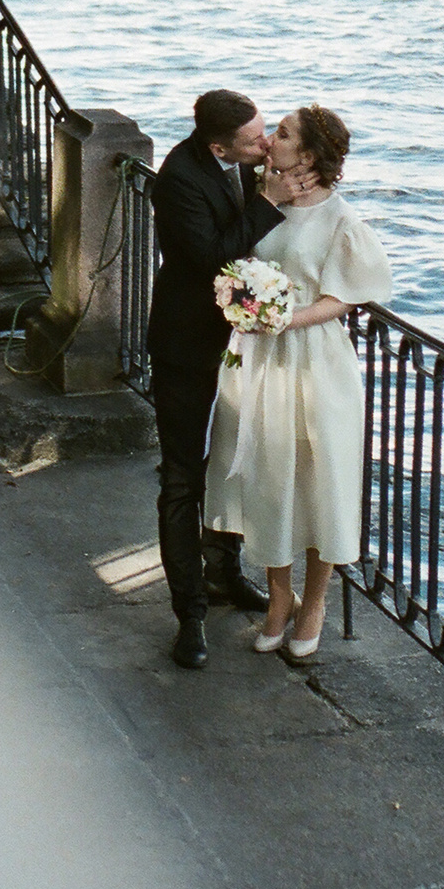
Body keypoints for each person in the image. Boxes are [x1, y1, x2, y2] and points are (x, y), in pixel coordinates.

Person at [204, 106, 392, 663]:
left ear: (307, 156)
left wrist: (286, 318)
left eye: (281, 134)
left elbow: (350, 295)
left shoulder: (339, 220)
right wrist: (246, 305)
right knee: (266, 476)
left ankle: (315, 604)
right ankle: (278, 599)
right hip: (258, 355)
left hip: (315, 360)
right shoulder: (262, 193)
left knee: (318, 480)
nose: (269, 140)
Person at [148, 89, 311, 669]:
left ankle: (224, 572)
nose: (265, 145)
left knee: (235, 460)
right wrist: (266, 200)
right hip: (186, 345)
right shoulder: (176, 180)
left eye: (267, 132)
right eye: (253, 141)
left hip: (243, 344)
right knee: (182, 477)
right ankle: (188, 614)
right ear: (219, 146)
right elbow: (212, 258)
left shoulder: (245, 160)